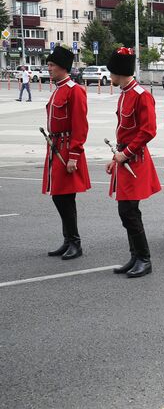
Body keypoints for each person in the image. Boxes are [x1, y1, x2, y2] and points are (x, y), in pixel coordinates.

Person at [105, 48, 162, 278]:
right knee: (126, 212)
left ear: (120, 72)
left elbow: (148, 131)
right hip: (124, 159)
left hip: (134, 161)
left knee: (129, 211)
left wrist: (125, 153)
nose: (110, 77)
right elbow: (123, 132)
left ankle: (144, 258)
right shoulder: (125, 93)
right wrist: (115, 157)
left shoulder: (141, 95)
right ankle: (135, 256)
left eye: (112, 73)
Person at [43, 46, 91, 260]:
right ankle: (67, 239)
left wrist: (74, 155)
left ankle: (75, 242)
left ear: (63, 67)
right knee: (58, 196)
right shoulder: (58, 88)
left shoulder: (75, 90)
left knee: (65, 198)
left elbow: (80, 126)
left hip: (66, 147)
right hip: (55, 146)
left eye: (52, 65)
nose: (49, 68)